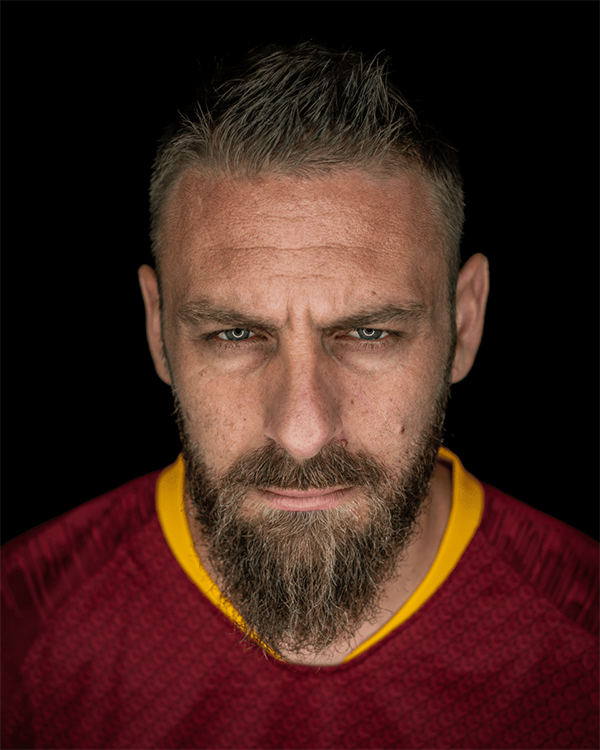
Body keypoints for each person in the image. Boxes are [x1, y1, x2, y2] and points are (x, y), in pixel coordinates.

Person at [1, 41, 598, 749]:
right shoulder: (21, 629)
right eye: (234, 334)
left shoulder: (584, 638)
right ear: (157, 330)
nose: (303, 430)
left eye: (369, 333)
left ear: (464, 324)